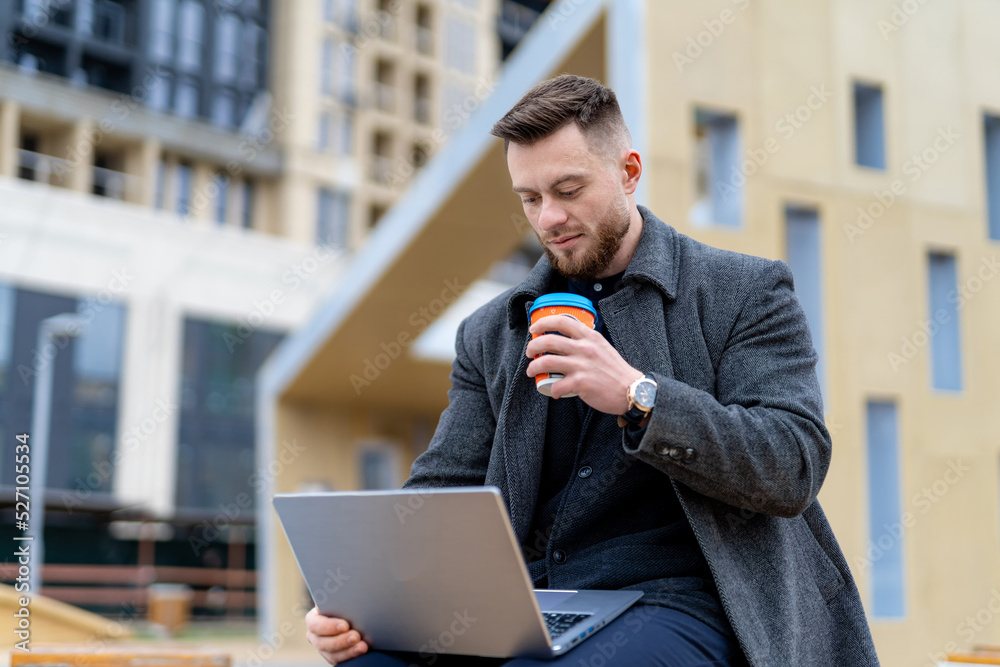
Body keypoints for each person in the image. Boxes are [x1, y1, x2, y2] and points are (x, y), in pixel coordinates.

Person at [305, 75, 881, 666]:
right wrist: (362, 603)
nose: (549, 217)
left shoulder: (744, 292)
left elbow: (793, 465)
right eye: (530, 198)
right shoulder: (490, 334)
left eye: (568, 188)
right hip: (534, 598)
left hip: (688, 602)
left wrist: (639, 397)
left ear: (629, 172)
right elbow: (441, 490)